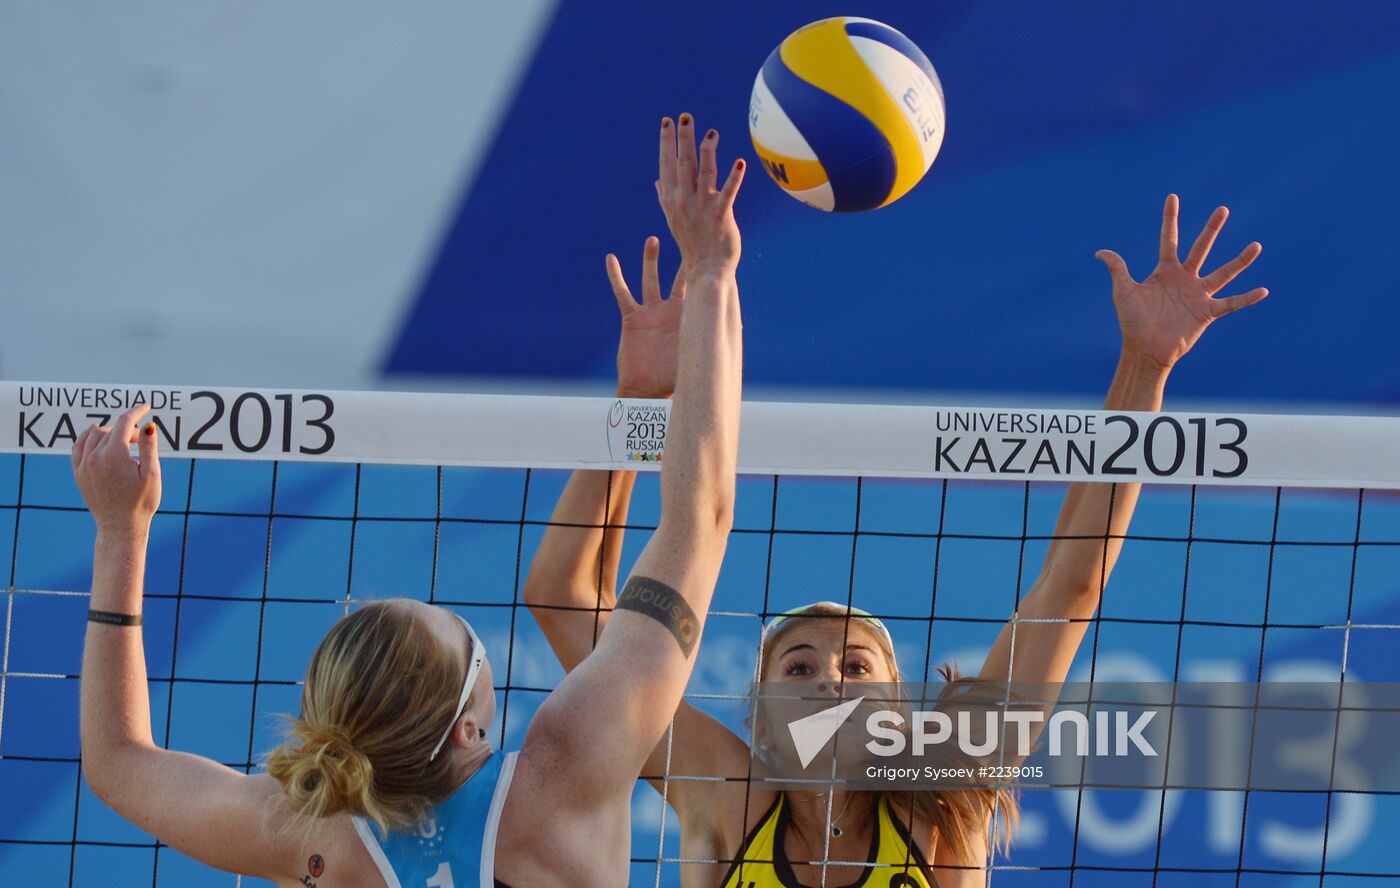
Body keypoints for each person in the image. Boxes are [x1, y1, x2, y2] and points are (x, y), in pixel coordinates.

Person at [72, 113, 745, 888]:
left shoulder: (309, 837)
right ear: (469, 727)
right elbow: (700, 517)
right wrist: (712, 276)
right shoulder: (565, 767)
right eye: (467, 639)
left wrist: (122, 531)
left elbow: (119, 765)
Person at [523, 195, 1268, 887]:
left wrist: (1145, 367)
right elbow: (564, 598)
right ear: (758, 712)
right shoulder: (725, 794)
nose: (830, 680)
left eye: (855, 665)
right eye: (801, 664)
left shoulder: (944, 805)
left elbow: (1071, 588)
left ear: (900, 714)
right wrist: (642, 408)